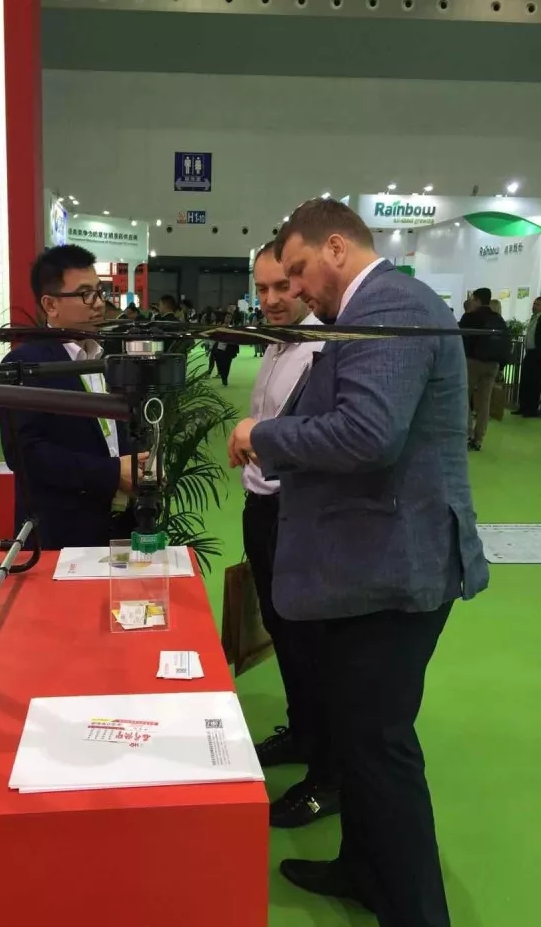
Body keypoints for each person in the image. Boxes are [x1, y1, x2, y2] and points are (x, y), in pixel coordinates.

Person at [228, 198, 489, 927]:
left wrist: (263, 435)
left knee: (379, 750)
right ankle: (363, 870)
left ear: (337, 247)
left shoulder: (391, 305)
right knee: (358, 738)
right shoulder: (365, 310)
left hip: (395, 573)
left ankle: (417, 912)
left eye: (300, 270)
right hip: (370, 567)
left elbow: (368, 434)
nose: (295, 288)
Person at [243, 242, 339, 828]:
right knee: (283, 632)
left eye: (283, 285)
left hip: (299, 515)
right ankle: (304, 733)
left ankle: (329, 776)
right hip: (262, 506)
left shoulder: (327, 350)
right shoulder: (278, 343)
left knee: (313, 647)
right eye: (262, 289)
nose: (273, 299)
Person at [0, 245, 146, 549]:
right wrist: (112, 473)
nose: (99, 303)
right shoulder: (25, 365)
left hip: (117, 526)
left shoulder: (107, 357)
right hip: (60, 533)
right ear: (51, 305)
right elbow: (26, 455)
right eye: (85, 294)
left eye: (99, 291)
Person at [459, 287, 512, 450]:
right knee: (484, 402)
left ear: (477, 300)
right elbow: (506, 342)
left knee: (465, 398)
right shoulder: (498, 319)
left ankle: (467, 434)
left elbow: (461, 339)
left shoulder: (470, 317)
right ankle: (478, 439)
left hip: (473, 362)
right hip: (492, 365)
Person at [514, 295, 541, 417]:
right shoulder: (533, 318)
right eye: (534, 304)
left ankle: (531, 409)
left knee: (534, 382)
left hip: (537, 354)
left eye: (538, 305)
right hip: (529, 353)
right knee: (525, 380)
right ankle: (523, 407)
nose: (534, 306)